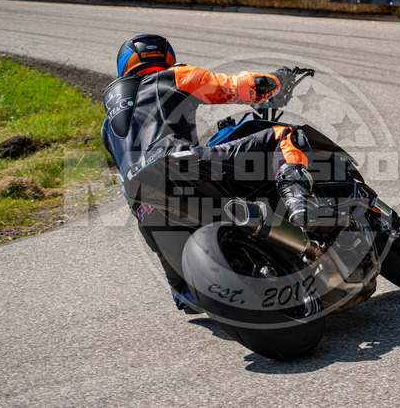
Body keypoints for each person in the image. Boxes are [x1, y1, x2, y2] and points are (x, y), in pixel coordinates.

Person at [101, 34, 322, 313]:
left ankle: (187, 289)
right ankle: (300, 202)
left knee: (185, 293)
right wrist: (279, 79)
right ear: (165, 56)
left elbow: (125, 177)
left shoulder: (107, 127)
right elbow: (241, 87)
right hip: (178, 163)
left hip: (143, 203)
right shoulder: (173, 76)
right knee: (282, 136)